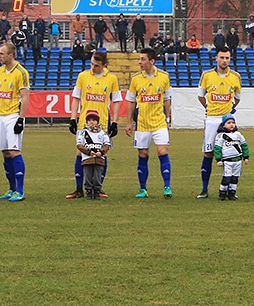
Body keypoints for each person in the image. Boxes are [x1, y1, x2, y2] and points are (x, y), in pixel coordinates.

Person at [65, 50, 122, 199]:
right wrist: (72, 118)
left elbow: (116, 101)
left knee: (102, 153)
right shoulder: (83, 76)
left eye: (96, 65)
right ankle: (79, 189)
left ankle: (98, 188)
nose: (93, 67)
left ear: (104, 65)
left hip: (102, 124)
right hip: (84, 123)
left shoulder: (111, 79)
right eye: (91, 64)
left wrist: (115, 122)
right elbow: (76, 98)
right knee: (80, 152)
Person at [124, 48, 173, 198]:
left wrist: (168, 119)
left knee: (162, 151)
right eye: (139, 59)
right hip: (142, 124)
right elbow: (131, 102)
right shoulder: (136, 79)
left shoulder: (164, 77)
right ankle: (143, 189)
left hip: (159, 122)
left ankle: (167, 187)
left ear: (151, 61)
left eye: (143, 59)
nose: (140, 62)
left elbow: (167, 100)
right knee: (143, 154)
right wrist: (128, 123)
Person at [196, 46, 241, 199]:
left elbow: (238, 97)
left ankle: (228, 190)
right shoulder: (206, 75)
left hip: (227, 120)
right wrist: (209, 108)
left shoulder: (235, 76)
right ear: (216, 58)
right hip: (211, 119)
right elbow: (201, 96)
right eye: (221, 57)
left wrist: (230, 112)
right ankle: (204, 189)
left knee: (229, 155)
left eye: (227, 58)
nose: (224, 60)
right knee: (208, 153)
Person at [0, 42, 30, 202]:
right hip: (1, 116)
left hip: (13, 115)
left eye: (2, 53)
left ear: (10, 55)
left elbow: (25, 97)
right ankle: (11, 189)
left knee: (14, 150)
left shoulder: (21, 72)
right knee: (5, 152)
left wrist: (21, 119)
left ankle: (20, 190)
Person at [76, 110, 112, 200]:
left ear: (97, 121)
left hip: (99, 159)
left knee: (97, 177)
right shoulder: (83, 133)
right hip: (87, 159)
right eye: (89, 120)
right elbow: (79, 145)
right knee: (87, 177)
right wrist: (88, 152)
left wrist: (101, 152)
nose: (91, 122)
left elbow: (107, 144)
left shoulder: (102, 133)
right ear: (87, 122)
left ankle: (97, 192)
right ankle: (88, 192)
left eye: (94, 120)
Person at [214, 113, 250, 201]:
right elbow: (217, 148)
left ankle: (232, 193)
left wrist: (246, 157)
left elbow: (244, 145)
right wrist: (218, 159)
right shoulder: (221, 136)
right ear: (223, 125)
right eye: (228, 123)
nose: (231, 124)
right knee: (226, 178)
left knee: (235, 178)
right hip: (227, 161)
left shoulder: (238, 135)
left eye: (233, 122)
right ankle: (222, 193)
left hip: (237, 160)